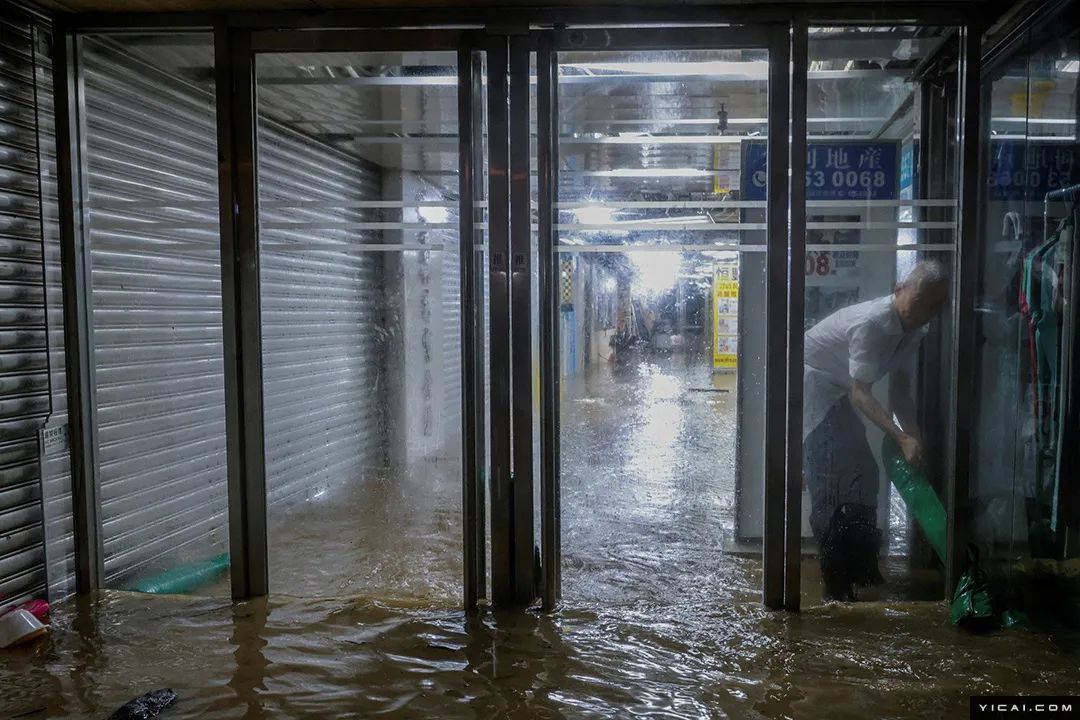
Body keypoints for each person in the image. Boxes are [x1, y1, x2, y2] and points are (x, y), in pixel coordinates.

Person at [802, 260, 949, 601]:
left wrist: (914, 436)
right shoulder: (870, 323)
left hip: (838, 392)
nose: (925, 313)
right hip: (812, 388)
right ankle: (836, 586)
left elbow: (900, 392)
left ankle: (864, 569)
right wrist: (901, 438)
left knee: (865, 474)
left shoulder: (915, 331)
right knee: (831, 486)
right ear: (900, 290)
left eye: (934, 307)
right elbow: (861, 394)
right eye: (921, 303)